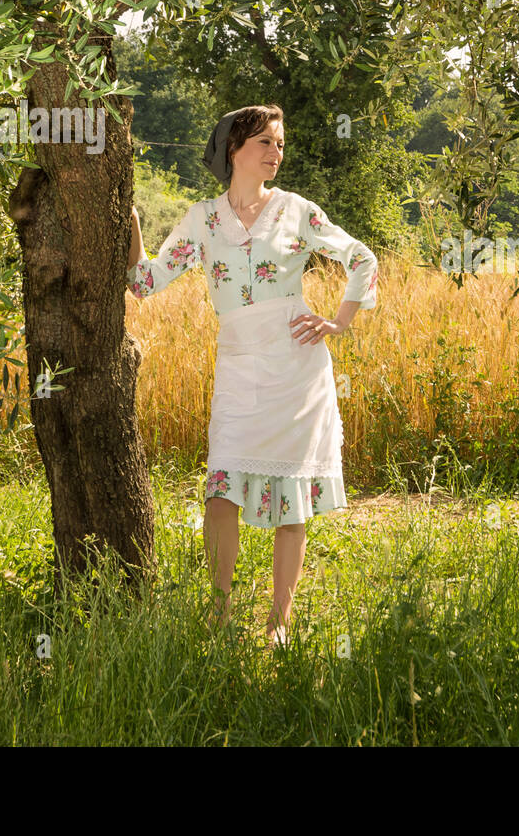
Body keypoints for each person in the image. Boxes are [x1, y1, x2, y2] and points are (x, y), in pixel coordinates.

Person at [126, 104, 378, 648]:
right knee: (221, 489)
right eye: (265, 141)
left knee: (292, 498)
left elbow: (361, 257)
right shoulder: (202, 219)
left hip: (297, 367)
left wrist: (339, 321)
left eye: (280, 143)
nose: (276, 152)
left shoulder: (296, 210)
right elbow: (145, 282)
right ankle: (219, 615)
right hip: (238, 363)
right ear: (234, 148)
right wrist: (132, 223)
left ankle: (278, 624)